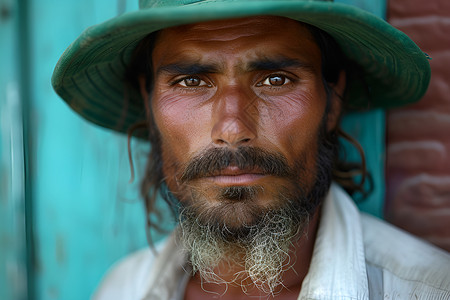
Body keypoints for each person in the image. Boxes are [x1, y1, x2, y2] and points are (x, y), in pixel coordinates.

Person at [52, 0, 450, 299]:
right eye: (192, 82)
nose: (232, 129)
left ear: (334, 101)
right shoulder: (122, 289)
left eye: (276, 79)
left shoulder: (428, 289)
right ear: (149, 103)